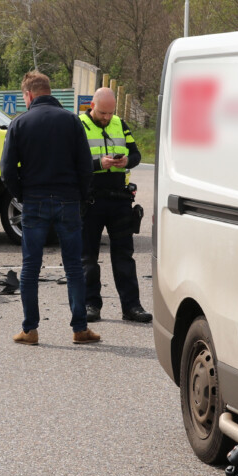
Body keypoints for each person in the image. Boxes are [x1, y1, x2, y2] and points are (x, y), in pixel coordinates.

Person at [0, 71, 100, 346]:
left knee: (30, 268)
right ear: (49, 91)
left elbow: (7, 169)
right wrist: (81, 196)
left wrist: (22, 195)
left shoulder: (19, 123)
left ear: (29, 94)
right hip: (68, 199)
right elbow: (85, 166)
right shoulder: (71, 120)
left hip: (34, 201)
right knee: (74, 267)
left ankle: (30, 330)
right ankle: (80, 329)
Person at [79, 87, 151, 323]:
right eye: (102, 113)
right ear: (92, 106)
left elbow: (136, 155)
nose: (107, 117)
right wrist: (99, 164)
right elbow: (71, 162)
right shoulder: (78, 126)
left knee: (124, 257)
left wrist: (127, 161)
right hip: (90, 201)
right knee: (88, 258)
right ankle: (90, 305)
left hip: (119, 200)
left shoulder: (121, 124)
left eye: (110, 113)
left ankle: (131, 307)